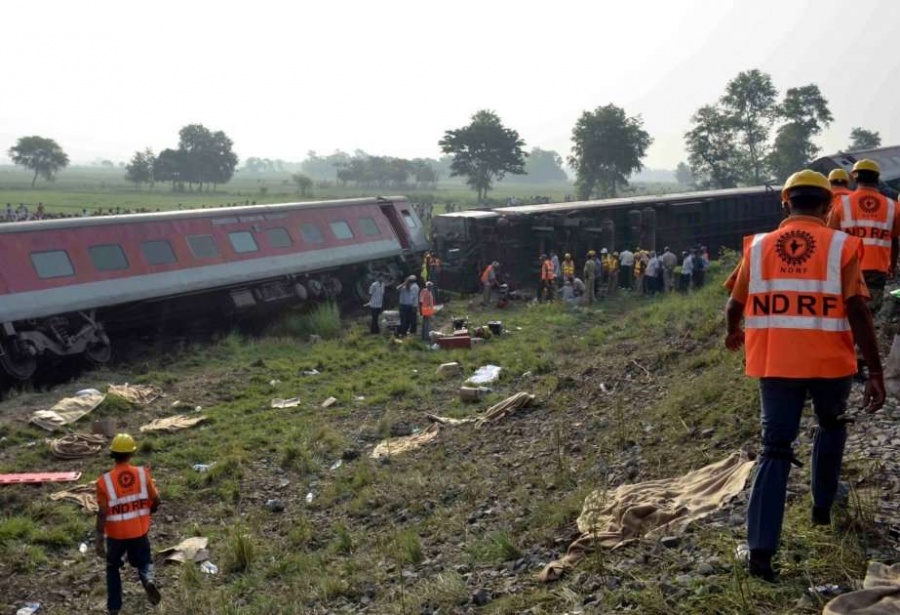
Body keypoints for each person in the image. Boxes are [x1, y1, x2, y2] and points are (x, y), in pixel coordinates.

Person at [724, 169, 885, 582]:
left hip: (776, 365)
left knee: (774, 449)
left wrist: (733, 333)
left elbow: (732, 306)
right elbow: (859, 311)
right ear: (829, 204)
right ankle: (821, 507)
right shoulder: (843, 247)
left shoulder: (757, 248)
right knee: (831, 425)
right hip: (831, 363)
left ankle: (760, 556)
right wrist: (875, 371)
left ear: (785, 202)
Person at [95, 433, 162, 615]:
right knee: (144, 562)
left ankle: (114, 607)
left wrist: (99, 538)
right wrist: (151, 508)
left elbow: (102, 513)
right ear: (132, 453)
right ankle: (148, 580)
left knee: (112, 568)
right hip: (139, 532)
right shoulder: (142, 474)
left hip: (116, 536)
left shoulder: (104, 482)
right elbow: (156, 500)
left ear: (113, 454)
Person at [827, 158, 900, 322]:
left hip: (848, 267)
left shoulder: (840, 205)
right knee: (868, 315)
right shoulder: (892, 206)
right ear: (877, 179)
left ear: (854, 178)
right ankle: (863, 345)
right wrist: (892, 266)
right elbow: (895, 240)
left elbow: (831, 239)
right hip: (877, 268)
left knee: (847, 314)